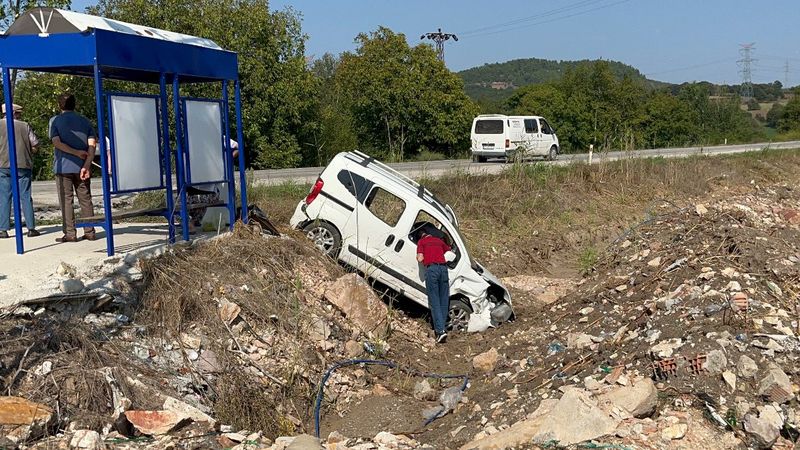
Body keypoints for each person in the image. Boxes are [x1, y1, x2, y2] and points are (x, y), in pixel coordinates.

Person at [50, 94, 97, 243]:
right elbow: (92, 145)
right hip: (82, 167)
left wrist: (74, 152)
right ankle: (90, 231)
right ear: (74, 105)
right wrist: (87, 165)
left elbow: (57, 143)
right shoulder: (84, 121)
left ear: (59, 106)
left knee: (66, 200)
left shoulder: (55, 121)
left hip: (63, 166)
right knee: (85, 199)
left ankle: (70, 233)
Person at [0, 103, 40, 238]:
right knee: (25, 196)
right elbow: (35, 145)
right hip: (23, 165)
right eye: (19, 113)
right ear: (14, 113)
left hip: (3, 165)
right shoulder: (24, 126)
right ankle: (31, 228)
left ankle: (3, 229)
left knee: (5, 197)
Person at [416, 226, 452, 343]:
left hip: (432, 270)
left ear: (420, 236)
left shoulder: (422, 242)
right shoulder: (439, 241)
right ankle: (444, 327)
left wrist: (420, 255)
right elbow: (449, 252)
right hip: (443, 269)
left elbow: (420, 258)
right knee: (444, 300)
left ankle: (440, 331)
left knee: (435, 301)